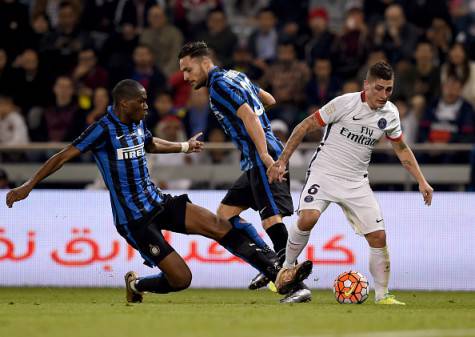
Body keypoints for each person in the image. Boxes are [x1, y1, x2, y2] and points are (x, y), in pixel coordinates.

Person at [5, 79, 312, 303]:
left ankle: (277, 272)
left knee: (219, 225)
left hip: (158, 202)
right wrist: (28, 186)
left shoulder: (137, 123)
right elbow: (63, 156)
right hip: (134, 220)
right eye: (142, 102)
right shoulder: (102, 129)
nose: (147, 106)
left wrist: (183, 146)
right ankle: (137, 285)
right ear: (125, 104)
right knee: (182, 279)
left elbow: (150, 142)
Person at [268, 61, 434, 305]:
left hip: (356, 181)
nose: (384, 95)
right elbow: (304, 126)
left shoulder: (390, 113)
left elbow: (401, 148)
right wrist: (282, 161)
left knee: (378, 237)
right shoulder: (344, 103)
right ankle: (285, 269)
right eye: (379, 88)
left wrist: (422, 181)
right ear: (366, 85)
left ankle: (383, 295)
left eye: (389, 89)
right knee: (308, 218)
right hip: (324, 174)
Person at [178, 41, 311, 303]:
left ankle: (297, 286)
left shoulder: (218, 87)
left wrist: (263, 153)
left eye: (187, 69)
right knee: (224, 216)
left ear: (205, 62)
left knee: (271, 219)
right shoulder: (237, 76)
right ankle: (271, 265)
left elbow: (249, 115)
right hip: (255, 159)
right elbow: (268, 100)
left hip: (262, 158)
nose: (185, 76)